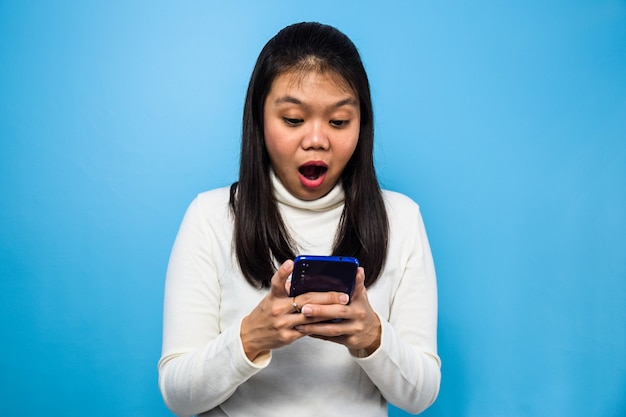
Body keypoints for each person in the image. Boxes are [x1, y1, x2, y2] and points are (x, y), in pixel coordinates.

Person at [158, 22, 441, 417]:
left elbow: (420, 396)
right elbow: (177, 396)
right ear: (259, 121)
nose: (316, 139)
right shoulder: (210, 217)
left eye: (339, 121)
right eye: (293, 119)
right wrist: (251, 337)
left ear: (363, 124)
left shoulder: (403, 219)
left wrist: (373, 337)